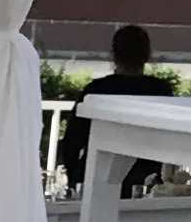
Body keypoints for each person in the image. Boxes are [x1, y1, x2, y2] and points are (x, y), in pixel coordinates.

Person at [57, 22, 174, 193]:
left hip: (96, 176)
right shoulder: (160, 91)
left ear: (113, 54)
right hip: (144, 180)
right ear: (147, 55)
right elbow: (169, 139)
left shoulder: (96, 90)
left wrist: (74, 179)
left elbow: (72, 141)